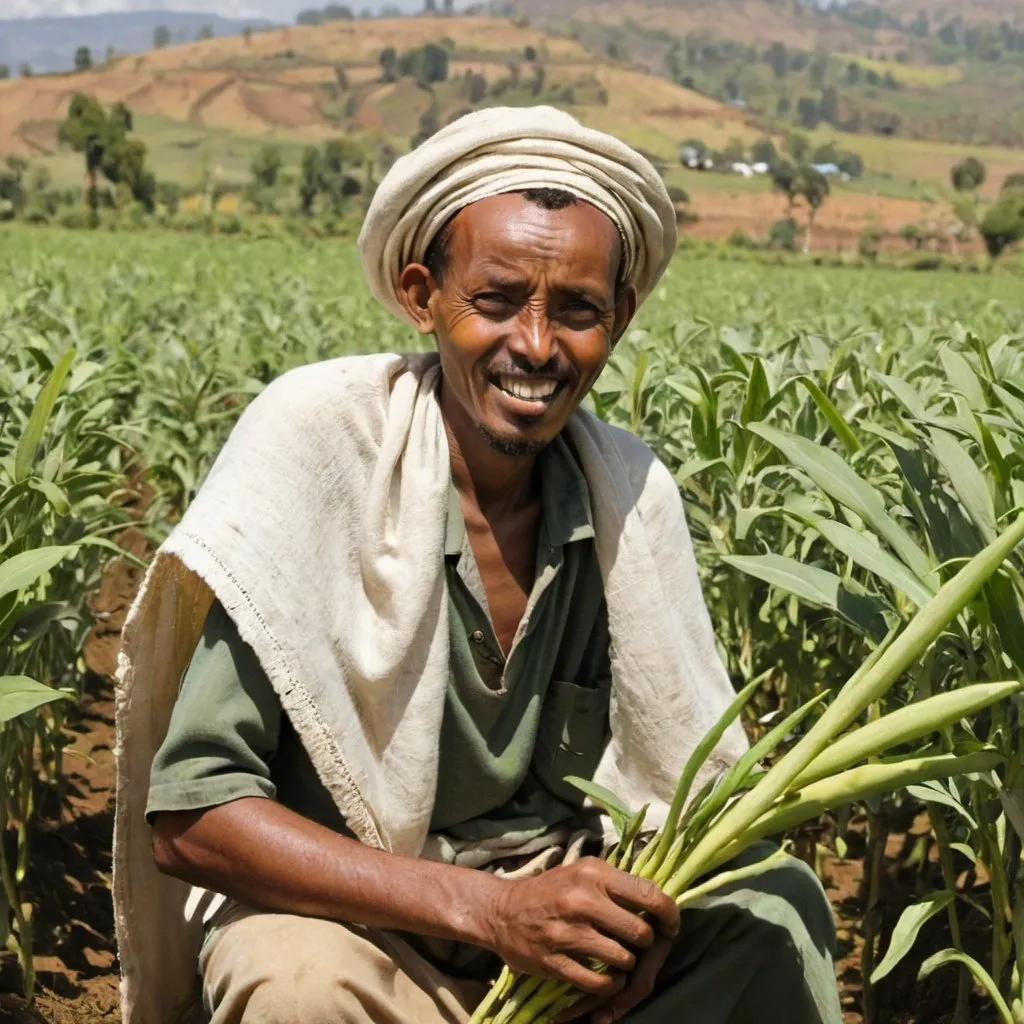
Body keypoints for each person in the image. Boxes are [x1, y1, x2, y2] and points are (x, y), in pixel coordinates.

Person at [112, 106, 842, 1024]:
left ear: (616, 318)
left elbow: (663, 780)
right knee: (295, 984)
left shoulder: (627, 497)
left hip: (554, 950)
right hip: (361, 930)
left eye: (577, 310)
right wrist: (490, 912)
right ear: (423, 296)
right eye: (495, 300)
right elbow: (191, 818)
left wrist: (635, 926)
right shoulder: (323, 449)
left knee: (775, 906)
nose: (536, 346)